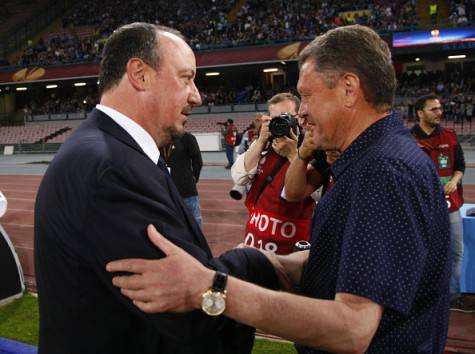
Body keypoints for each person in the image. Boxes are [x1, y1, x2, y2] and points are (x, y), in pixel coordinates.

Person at [107, 25, 451, 353]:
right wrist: (267, 263)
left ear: (349, 88)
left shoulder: (381, 171)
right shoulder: (375, 159)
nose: (301, 113)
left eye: (307, 96)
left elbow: (353, 327)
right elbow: (351, 262)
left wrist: (211, 289)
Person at [34, 22, 280, 354]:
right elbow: (190, 312)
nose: (197, 95)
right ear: (140, 75)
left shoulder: (108, 151)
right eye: (186, 78)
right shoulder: (111, 168)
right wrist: (256, 262)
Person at [231, 93, 318, 255]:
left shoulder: (311, 149)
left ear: (298, 118)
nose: (280, 124)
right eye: (274, 119)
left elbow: (319, 193)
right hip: (256, 242)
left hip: (291, 249)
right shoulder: (263, 147)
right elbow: (239, 177)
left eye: (286, 118)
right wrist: (261, 141)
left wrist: (294, 155)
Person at [411, 94, 474, 312]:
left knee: (455, 251)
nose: (440, 113)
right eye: (434, 109)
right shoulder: (407, 139)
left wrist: (455, 181)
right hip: (420, 207)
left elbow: (460, 166)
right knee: (419, 251)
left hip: (450, 206)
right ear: (420, 113)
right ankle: (420, 296)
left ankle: (452, 296)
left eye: (440, 108)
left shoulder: (450, 135)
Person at [161, 131, 203, 227]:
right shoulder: (159, 138)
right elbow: (198, 161)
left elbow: (198, 162)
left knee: (193, 221)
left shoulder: (187, 137)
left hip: (185, 190)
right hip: (168, 190)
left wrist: (193, 178)